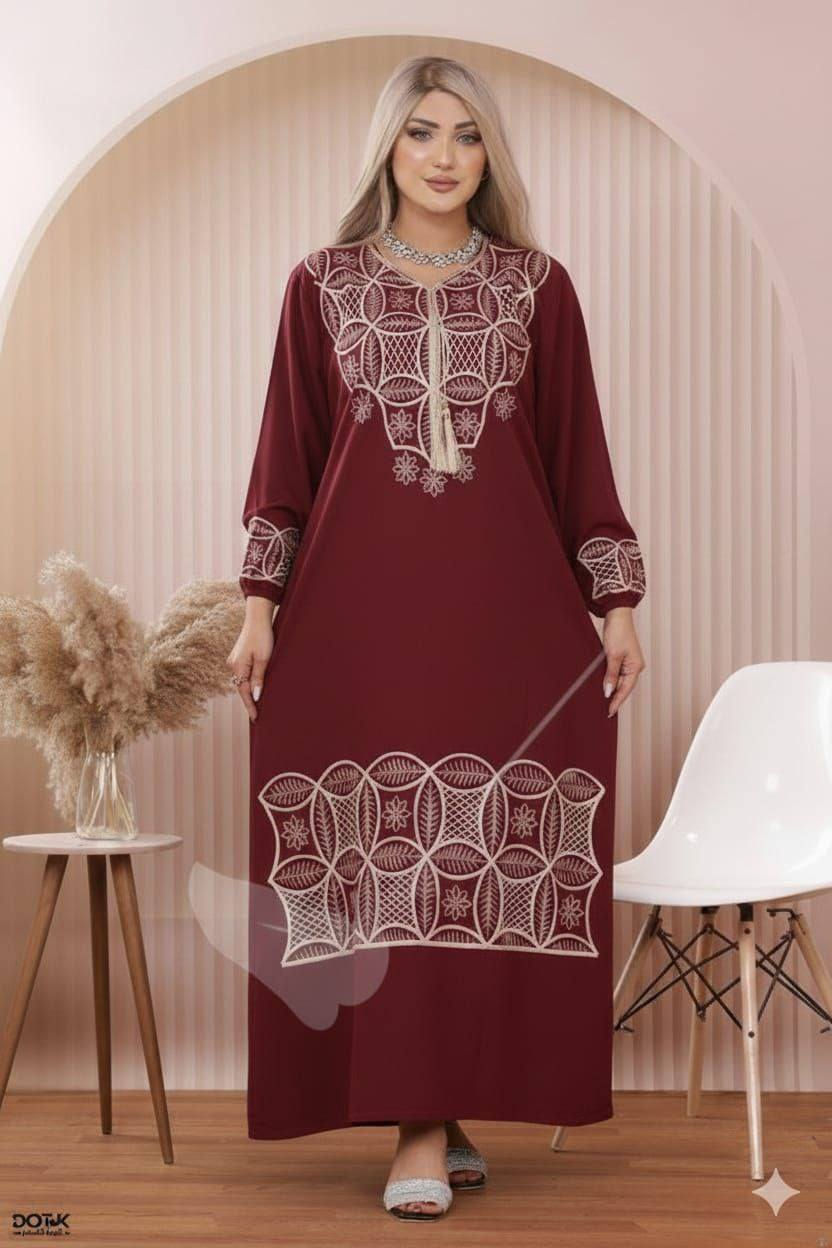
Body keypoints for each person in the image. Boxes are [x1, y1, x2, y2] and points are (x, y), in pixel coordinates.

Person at [227, 53, 647, 1222]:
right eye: (421, 132)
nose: (445, 156)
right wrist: (258, 607)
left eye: (466, 135)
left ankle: (437, 1112)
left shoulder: (536, 287)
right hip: (356, 621)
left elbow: (575, 455)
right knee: (382, 856)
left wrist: (614, 601)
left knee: (470, 854)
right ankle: (420, 1122)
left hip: (507, 619)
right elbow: (286, 460)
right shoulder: (321, 285)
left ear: (487, 155)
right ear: (388, 148)